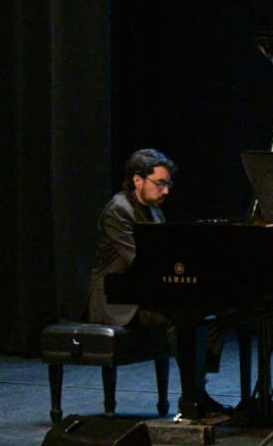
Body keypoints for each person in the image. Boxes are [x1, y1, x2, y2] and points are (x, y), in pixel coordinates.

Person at [86, 147, 225, 421]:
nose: (166, 191)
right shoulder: (118, 211)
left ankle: (198, 388)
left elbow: (161, 257)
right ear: (138, 180)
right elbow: (136, 260)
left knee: (211, 313)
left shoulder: (153, 210)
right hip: (117, 299)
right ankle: (191, 399)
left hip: (142, 291)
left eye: (167, 184)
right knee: (178, 317)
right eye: (159, 183)